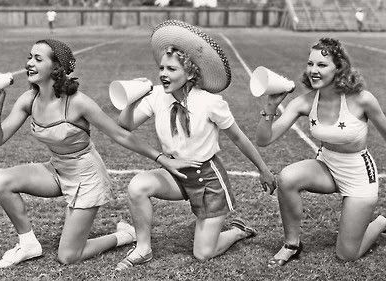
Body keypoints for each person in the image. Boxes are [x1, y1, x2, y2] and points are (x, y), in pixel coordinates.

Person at [0, 39, 191, 268]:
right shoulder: (28, 99)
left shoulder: (78, 103)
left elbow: (120, 135)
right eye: (29, 57)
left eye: (38, 58)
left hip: (86, 177)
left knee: (68, 256)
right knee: (1, 180)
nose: (29, 63)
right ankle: (28, 244)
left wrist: (161, 159)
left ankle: (124, 236)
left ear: (56, 68)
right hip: (56, 169)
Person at [256, 38, 386, 266]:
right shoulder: (304, 102)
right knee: (287, 177)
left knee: (347, 254)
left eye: (322, 65)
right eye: (310, 64)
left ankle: (382, 222)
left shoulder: (362, 100)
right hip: (327, 166)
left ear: (339, 67)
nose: (314, 70)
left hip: (358, 174)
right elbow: (265, 140)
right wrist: (270, 107)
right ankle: (291, 244)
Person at [114, 20, 277, 271]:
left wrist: (263, 169)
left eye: (171, 69)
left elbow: (238, 137)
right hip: (175, 173)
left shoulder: (210, 102)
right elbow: (125, 126)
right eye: (162, 68)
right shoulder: (157, 95)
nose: (163, 74)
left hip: (207, 180)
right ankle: (143, 249)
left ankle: (237, 231)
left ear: (190, 73)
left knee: (203, 253)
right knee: (138, 186)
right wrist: (131, 100)